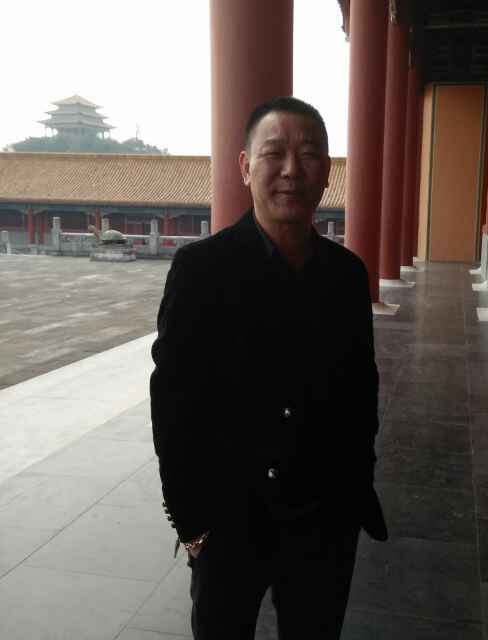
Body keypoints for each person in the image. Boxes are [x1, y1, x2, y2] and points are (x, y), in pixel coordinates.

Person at [150, 96, 387, 639]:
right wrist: (192, 526)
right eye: (274, 153)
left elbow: (361, 391)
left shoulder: (346, 276)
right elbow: (173, 405)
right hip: (229, 522)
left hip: (323, 521)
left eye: (309, 155)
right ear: (245, 166)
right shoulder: (201, 271)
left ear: (326, 172)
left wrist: (355, 489)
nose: (291, 170)